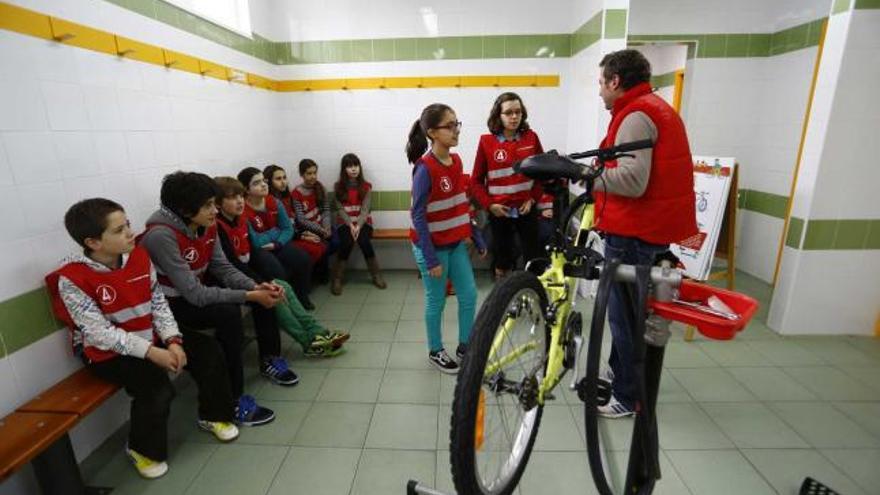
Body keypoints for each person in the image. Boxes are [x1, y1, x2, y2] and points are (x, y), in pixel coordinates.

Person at [45, 198, 232, 479]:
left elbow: (157, 303)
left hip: (149, 335)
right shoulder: (71, 278)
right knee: (156, 389)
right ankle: (141, 449)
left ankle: (213, 414)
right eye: (119, 230)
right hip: (106, 353)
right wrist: (151, 352)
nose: (130, 233)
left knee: (207, 351)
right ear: (93, 242)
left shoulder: (139, 257)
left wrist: (173, 340)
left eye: (128, 224)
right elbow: (99, 333)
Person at [592, 49, 697, 418]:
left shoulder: (635, 116)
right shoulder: (655, 107)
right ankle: (621, 376)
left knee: (624, 317)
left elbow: (633, 181)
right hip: (647, 228)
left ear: (616, 81)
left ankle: (628, 395)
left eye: (602, 84)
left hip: (632, 231)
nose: (600, 92)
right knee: (629, 311)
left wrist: (588, 178)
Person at [138, 171, 277, 427]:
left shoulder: (207, 225)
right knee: (229, 314)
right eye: (208, 205)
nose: (215, 210)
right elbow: (195, 294)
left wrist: (256, 286)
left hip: (191, 299)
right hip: (167, 309)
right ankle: (232, 399)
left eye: (214, 203)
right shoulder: (160, 236)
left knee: (250, 303)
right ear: (184, 209)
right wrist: (250, 295)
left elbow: (222, 267)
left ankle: (254, 376)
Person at [214, 177, 350, 357]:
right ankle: (308, 342)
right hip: (230, 282)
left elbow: (276, 235)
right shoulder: (218, 227)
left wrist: (261, 281)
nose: (240, 201)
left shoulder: (239, 220)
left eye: (240, 196)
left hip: (246, 274)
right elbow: (233, 264)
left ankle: (318, 332)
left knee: (283, 286)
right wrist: (259, 283)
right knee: (274, 293)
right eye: (232, 197)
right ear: (217, 203)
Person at [406, 103, 487, 373]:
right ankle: (435, 350)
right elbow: (417, 216)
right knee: (436, 300)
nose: (456, 131)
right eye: (449, 126)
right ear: (432, 132)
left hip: (454, 244)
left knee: (469, 294)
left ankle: (465, 346)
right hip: (432, 248)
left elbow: (460, 204)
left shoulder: (457, 161)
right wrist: (430, 259)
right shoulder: (424, 168)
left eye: (457, 124)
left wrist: (476, 236)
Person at [471, 92, 544, 280]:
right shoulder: (486, 142)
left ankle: (532, 291)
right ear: (498, 116)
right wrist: (490, 206)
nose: (514, 117)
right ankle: (502, 291)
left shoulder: (531, 138)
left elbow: (542, 174)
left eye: (518, 112)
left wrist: (533, 198)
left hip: (526, 210)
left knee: (533, 257)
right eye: (509, 113)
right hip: (499, 211)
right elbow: (475, 182)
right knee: (502, 258)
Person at [237, 167, 316, 310]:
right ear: (246, 189)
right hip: (258, 251)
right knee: (277, 271)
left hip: (277, 244)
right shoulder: (242, 209)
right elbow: (255, 241)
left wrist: (277, 243)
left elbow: (288, 229)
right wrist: (276, 231)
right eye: (256, 183)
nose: (263, 185)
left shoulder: (273, 201)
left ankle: (302, 297)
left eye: (264, 181)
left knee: (303, 259)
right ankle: (285, 305)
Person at [331, 152, 386, 294]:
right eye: (349, 166)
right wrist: (350, 225)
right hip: (345, 223)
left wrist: (358, 226)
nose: (354, 169)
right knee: (346, 243)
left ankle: (376, 275)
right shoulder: (338, 187)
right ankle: (337, 279)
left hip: (364, 223)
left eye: (356, 165)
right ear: (344, 169)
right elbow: (340, 209)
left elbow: (365, 209)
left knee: (364, 241)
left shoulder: (366, 186)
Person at [291, 159, 334, 281]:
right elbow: (301, 220)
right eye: (309, 173)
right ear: (301, 174)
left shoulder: (320, 188)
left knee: (336, 241)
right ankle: (319, 273)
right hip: (308, 229)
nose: (313, 176)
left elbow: (326, 210)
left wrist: (326, 227)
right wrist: (320, 230)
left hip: (322, 225)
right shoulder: (296, 193)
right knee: (323, 245)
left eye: (315, 173)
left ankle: (319, 269)